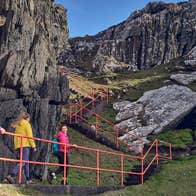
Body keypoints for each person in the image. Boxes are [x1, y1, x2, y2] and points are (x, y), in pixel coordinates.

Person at [6, 112, 36, 185]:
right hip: (25, 145)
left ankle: (28, 179)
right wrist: (33, 146)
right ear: (27, 118)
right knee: (23, 162)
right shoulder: (27, 124)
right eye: (29, 118)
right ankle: (11, 175)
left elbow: (15, 137)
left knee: (26, 163)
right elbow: (29, 135)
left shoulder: (18, 125)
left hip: (19, 145)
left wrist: (16, 146)